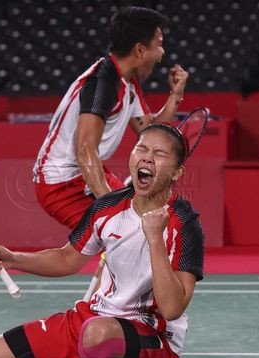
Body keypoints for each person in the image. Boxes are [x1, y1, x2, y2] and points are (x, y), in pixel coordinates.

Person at [0, 122, 204, 358]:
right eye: (141, 149)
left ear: (177, 172)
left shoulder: (185, 224)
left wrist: (155, 238)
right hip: (95, 317)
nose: (147, 158)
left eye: (159, 154)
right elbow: (67, 258)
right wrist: (13, 259)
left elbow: (172, 309)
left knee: (98, 336)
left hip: (151, 333)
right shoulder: (107, 206)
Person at [33, 6, 189, 230]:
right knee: (125, 233)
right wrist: (109, 206)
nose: (162, 53)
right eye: (159, 44)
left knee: (136, 228)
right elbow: (85, 149)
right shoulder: (102, 83)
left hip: (85, 173)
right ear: (139, 50)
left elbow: (152, 132)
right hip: (59, 184)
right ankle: (8, 258)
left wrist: (176, 95)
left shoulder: (127, 83)